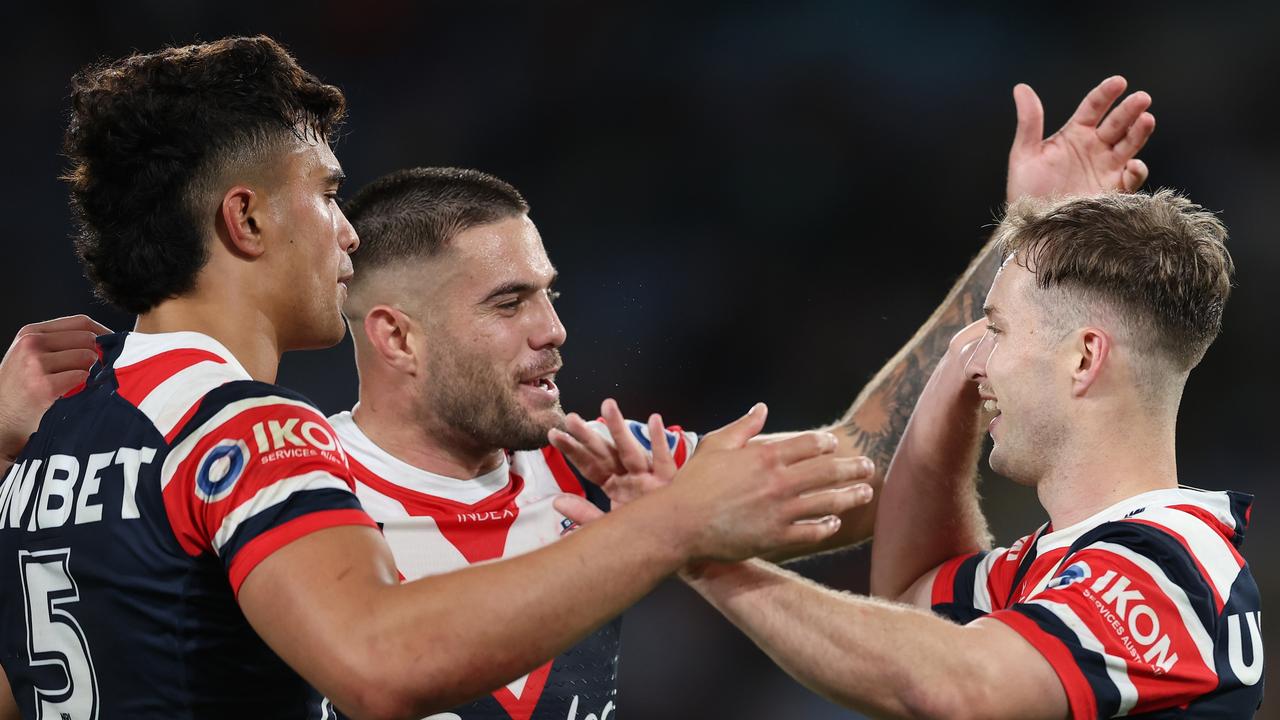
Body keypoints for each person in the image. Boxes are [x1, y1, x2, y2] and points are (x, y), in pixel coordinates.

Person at [0, 36, 874, 720]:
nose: (348, 234)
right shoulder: (246, 429)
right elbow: (383, 664)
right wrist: (669, 528)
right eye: (328, 193)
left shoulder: (50, 443)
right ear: (248, 216)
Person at [325, 74, 1155, 719]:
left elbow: (860, 473)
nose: (553, 330)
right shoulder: (296, 489)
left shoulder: (598, 473)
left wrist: (1026, 246)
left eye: (550, 296)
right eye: (509, 304)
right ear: (397, 336)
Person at [562, 190, 1261, 719]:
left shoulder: (1173, 567)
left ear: (1083, 358)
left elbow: (957, 684)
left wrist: (696, 547)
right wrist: (946, 386)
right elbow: (911, 605)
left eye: (996, 330)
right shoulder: (1061, 562)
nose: (976, 356)